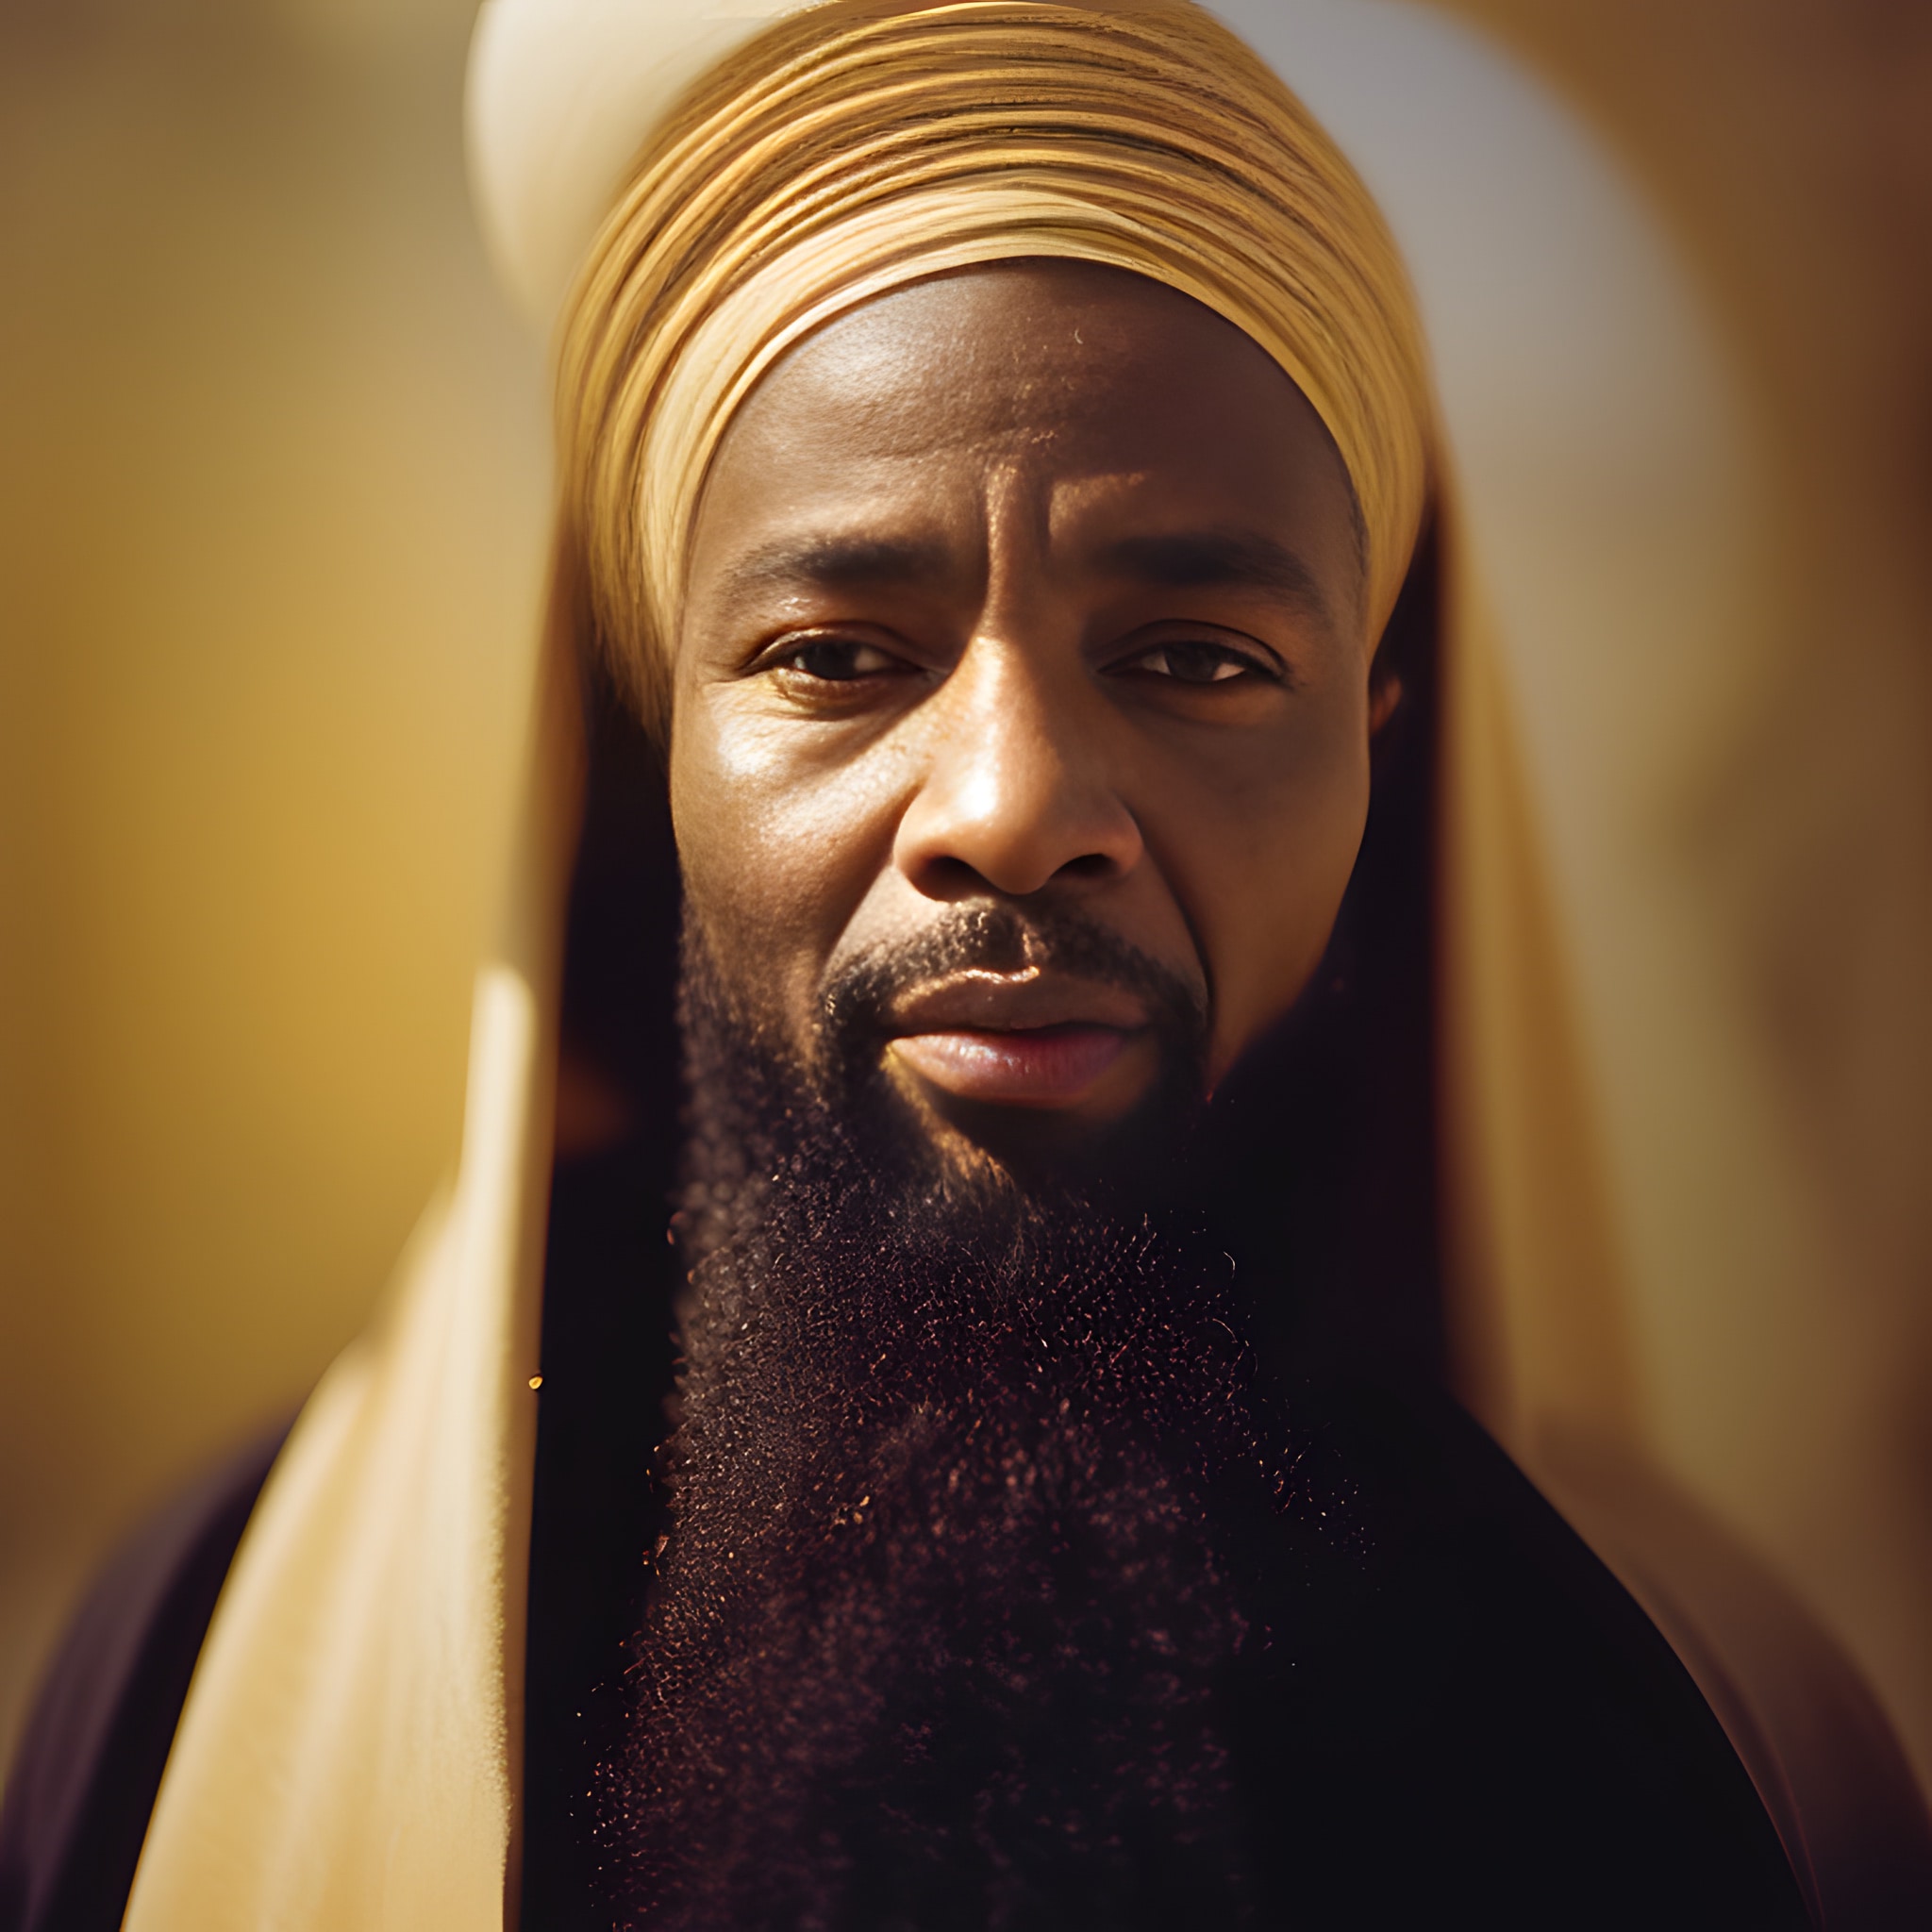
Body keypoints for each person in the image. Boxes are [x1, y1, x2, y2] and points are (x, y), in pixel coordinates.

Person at [3, 3, 1927, 1928]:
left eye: (1193, 659)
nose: (1010, 811)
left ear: (1380, 742)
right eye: (840, 658)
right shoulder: (190, 1680)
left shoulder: (1700, 1745)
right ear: (638, 750)